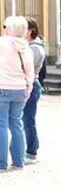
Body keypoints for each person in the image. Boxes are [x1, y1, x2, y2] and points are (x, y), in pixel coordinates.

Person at [0, 16, 35, 171]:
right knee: (16, 125)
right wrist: (28, 89)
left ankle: (1, 162)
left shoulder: (2, 43)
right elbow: (30, 72)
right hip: (20, 89)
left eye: (5, 26)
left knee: (1, 125)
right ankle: (19, 160)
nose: (4, 29)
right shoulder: (25, 46)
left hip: (3, 87)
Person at [24, 18, 45, 162]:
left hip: (31, 84)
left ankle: (32, 151)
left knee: (28, 119)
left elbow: (26, 68)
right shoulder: (30, 46)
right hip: (29, 84)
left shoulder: (35, 48)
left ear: (30, 31)